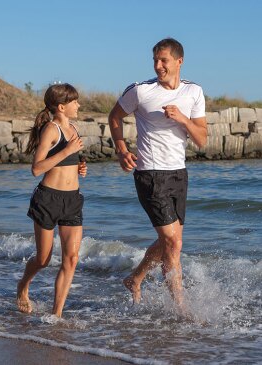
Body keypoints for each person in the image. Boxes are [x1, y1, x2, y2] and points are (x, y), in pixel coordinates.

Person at [108, 38, 207, 312]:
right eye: (155, 60)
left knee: (171, 242)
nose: (158, 65)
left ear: (179, 61)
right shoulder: (141, 91)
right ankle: (182, 310)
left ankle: (135, 278)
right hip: (149, 173)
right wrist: (121, 150)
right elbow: (114, 117)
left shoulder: (194, 92)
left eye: (163, 60)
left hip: (179, 174)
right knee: (173, 242)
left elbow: (202, 140)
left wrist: (183, 119)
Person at [17, 83, 87, 318]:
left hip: (72, 200)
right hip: (48, 199)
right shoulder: (51, 129)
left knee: (72, 258)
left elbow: (67, 163)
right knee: (43, 259)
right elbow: (36, 168)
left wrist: (79, 167)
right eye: (74, 101)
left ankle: (56, 315)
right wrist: (67, 152)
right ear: (61, 107)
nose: (78, 105)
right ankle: (23, 285)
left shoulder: (74, 128)